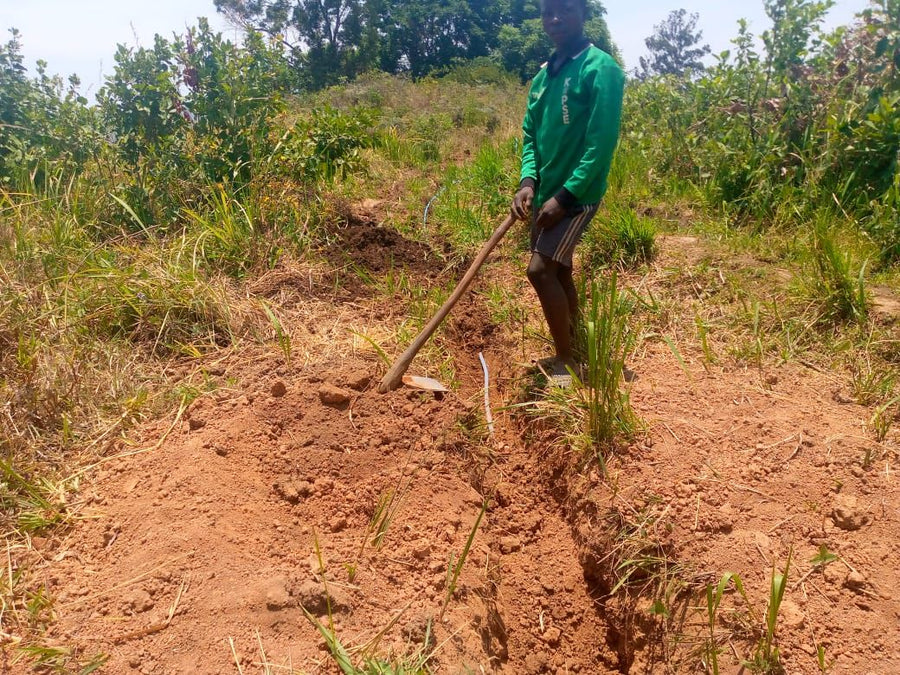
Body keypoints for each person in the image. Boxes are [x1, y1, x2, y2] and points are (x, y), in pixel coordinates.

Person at [511, 0, 625, 381]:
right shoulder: (544, 77)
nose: (555, 19)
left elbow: (601, 143)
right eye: (547, 12)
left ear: (583, 14)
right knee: (558, 271)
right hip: (546, 194)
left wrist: (566, 197)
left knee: (540, 270)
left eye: (565, 10)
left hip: (578, 194)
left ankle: (565, 363)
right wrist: (529, 182)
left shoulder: (601, 69)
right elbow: (530, 136)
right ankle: (576, 348)